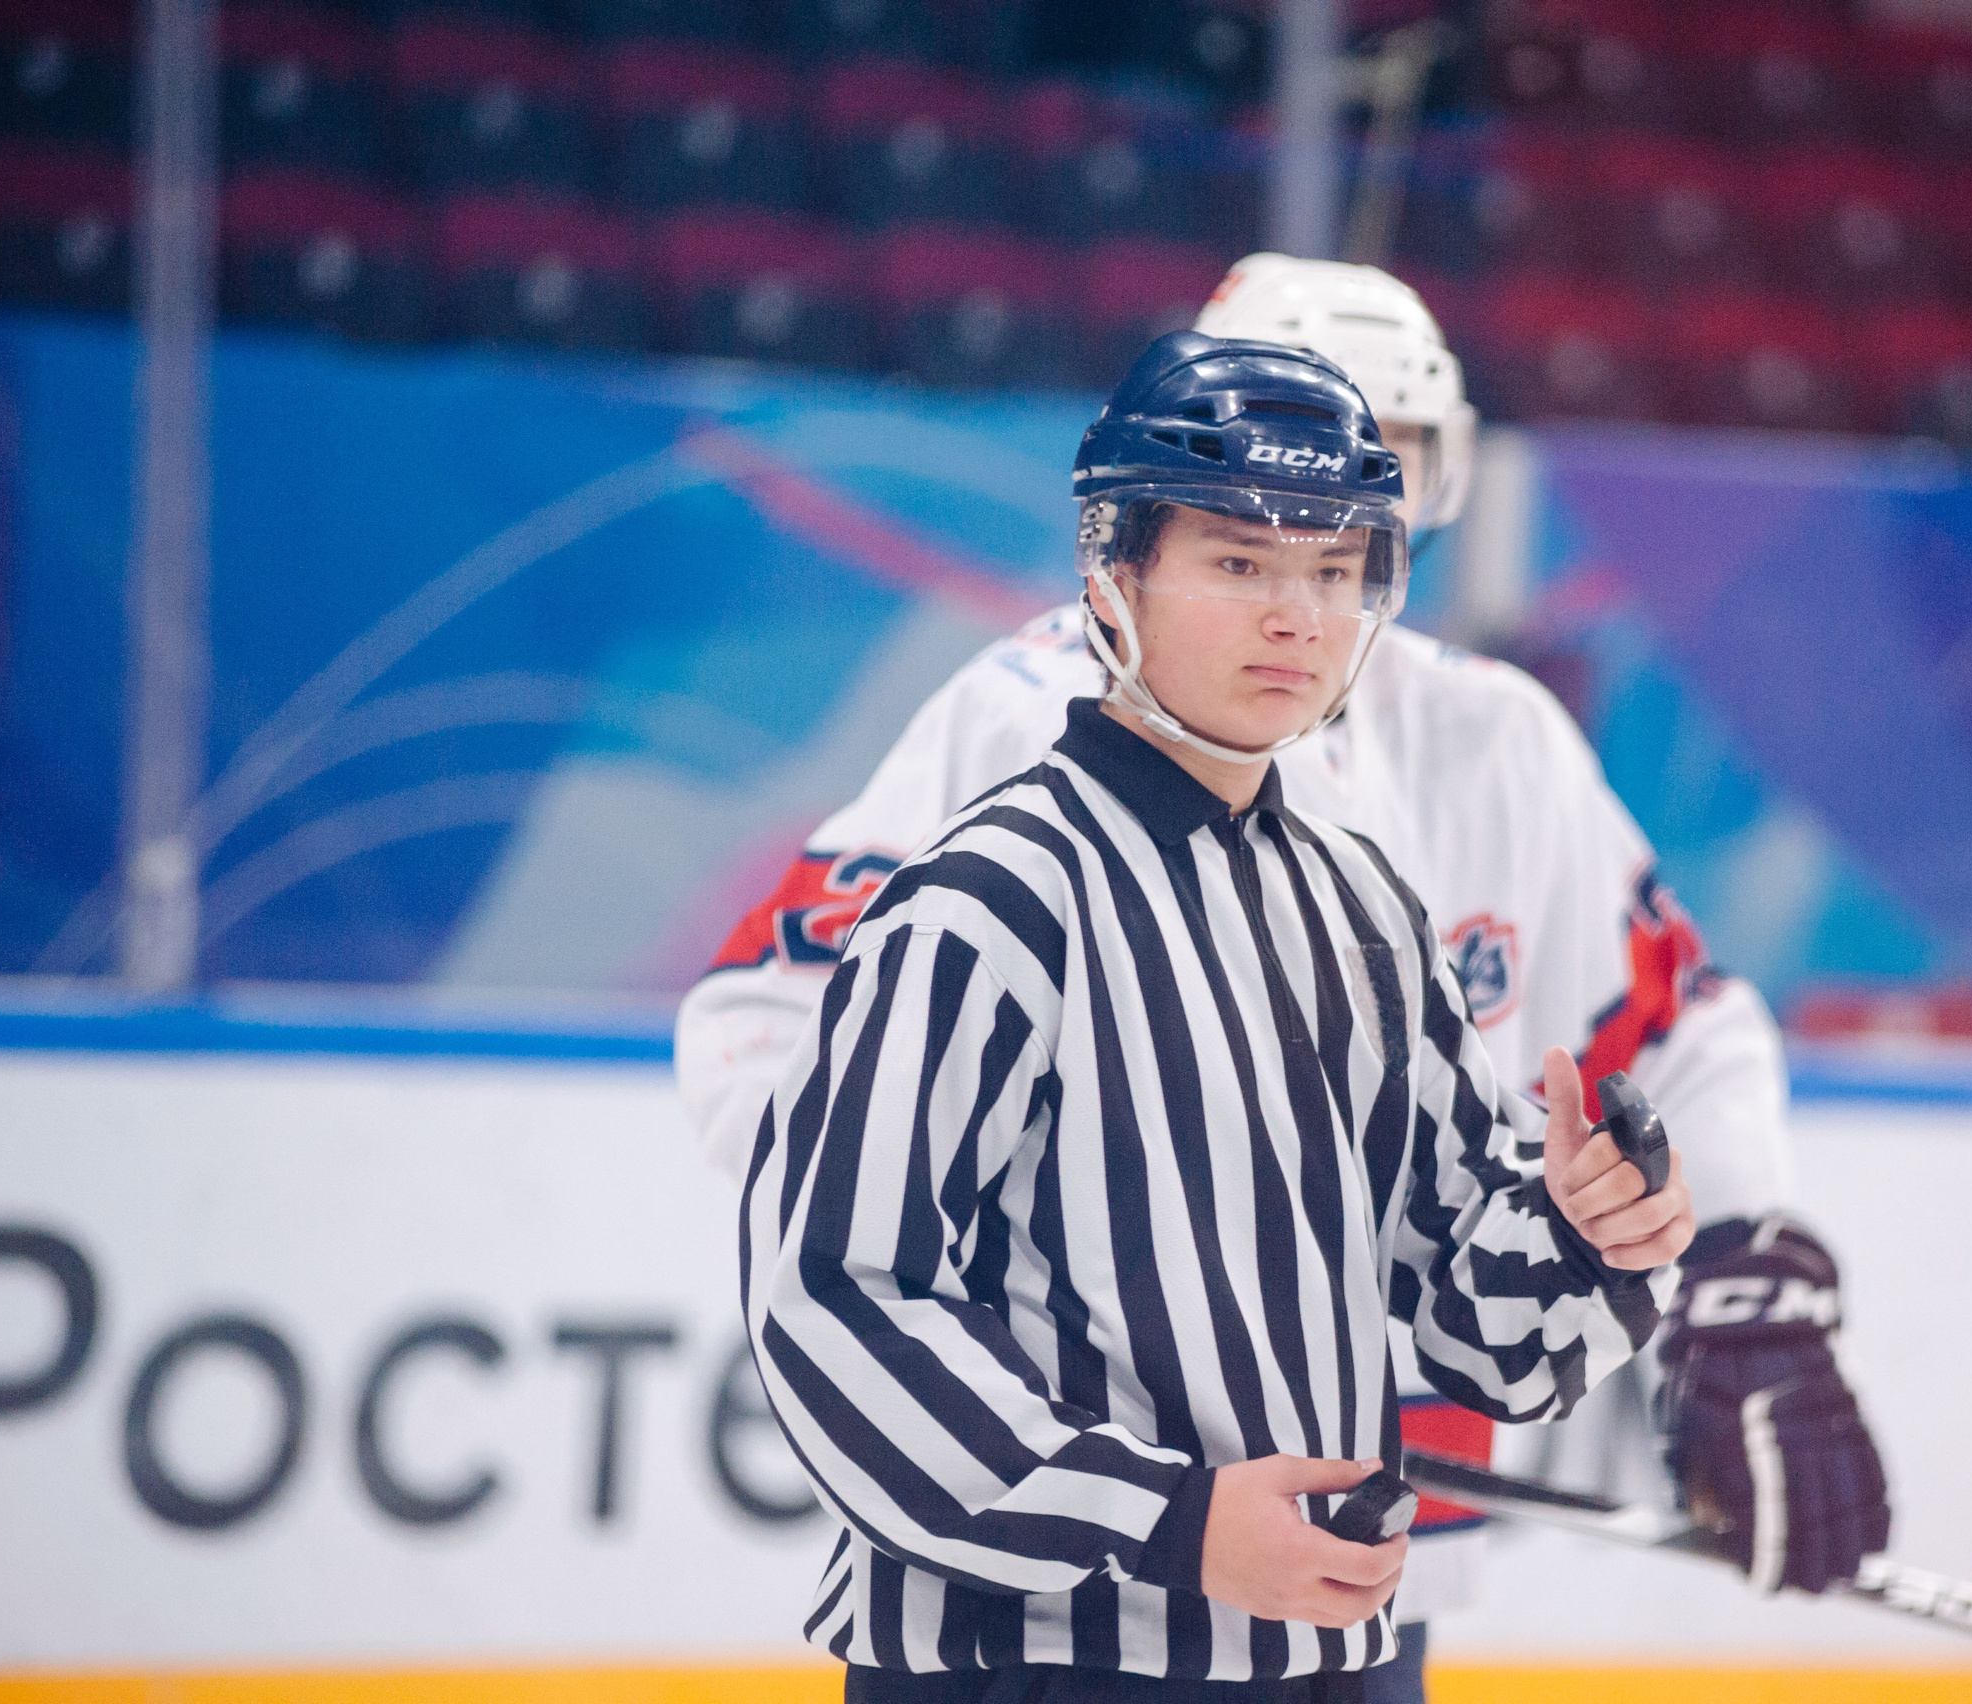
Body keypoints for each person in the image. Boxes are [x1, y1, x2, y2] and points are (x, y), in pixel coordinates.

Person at [681, 257, 1888, 1693]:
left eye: (1344, 531)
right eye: (1244, 548)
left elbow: (1611, 1103)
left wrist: (1661, 1258)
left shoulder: (1414, 832)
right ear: (1124, 559)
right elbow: (816, 1176)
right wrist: (1067, 1335)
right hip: (1050, 1617)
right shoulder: (1005, 797)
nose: (1298, 602)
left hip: (1330, 1587)